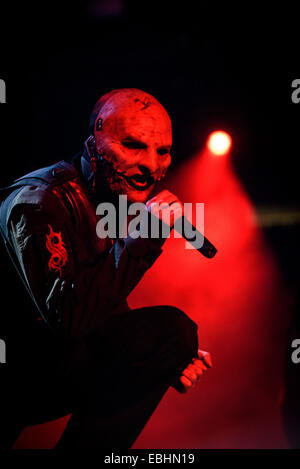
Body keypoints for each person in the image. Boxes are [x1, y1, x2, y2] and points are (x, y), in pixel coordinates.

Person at [0, 88, 212, 449]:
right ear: (94, 141)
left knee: (170, 338)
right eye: (133, 145)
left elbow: (101, 307)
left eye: (162, 151)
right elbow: (70, 317)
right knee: (169, 332)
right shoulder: (39, 202)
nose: (151, 165)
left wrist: (165, 358)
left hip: (38, 366)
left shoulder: (106, 201)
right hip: (14, 369)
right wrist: (146, 234)